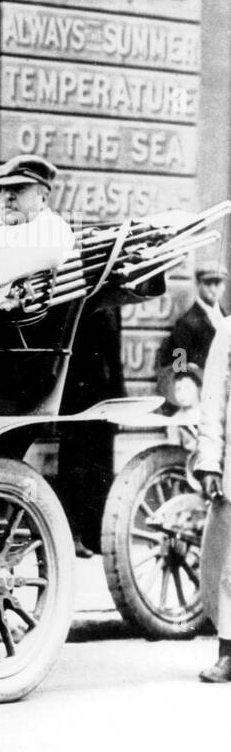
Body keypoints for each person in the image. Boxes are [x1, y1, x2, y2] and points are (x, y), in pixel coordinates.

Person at [0, 155, 75, 309]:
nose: (7, 197)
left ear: (43, 199)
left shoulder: (53, 227)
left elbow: (44, 251)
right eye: (3, 189)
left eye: (19, 188)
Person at [194, 315, 231, 681]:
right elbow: (213, 400)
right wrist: (209, 463)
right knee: (229, 568)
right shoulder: (228, 330)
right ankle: (229, 651)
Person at [156, 261, 225, 403]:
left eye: (217, 283)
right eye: (207, 283)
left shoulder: (224, 317)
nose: (213, 289)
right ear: (198, 284)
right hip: (197, 392)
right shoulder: (187, 322)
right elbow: (178, 365)